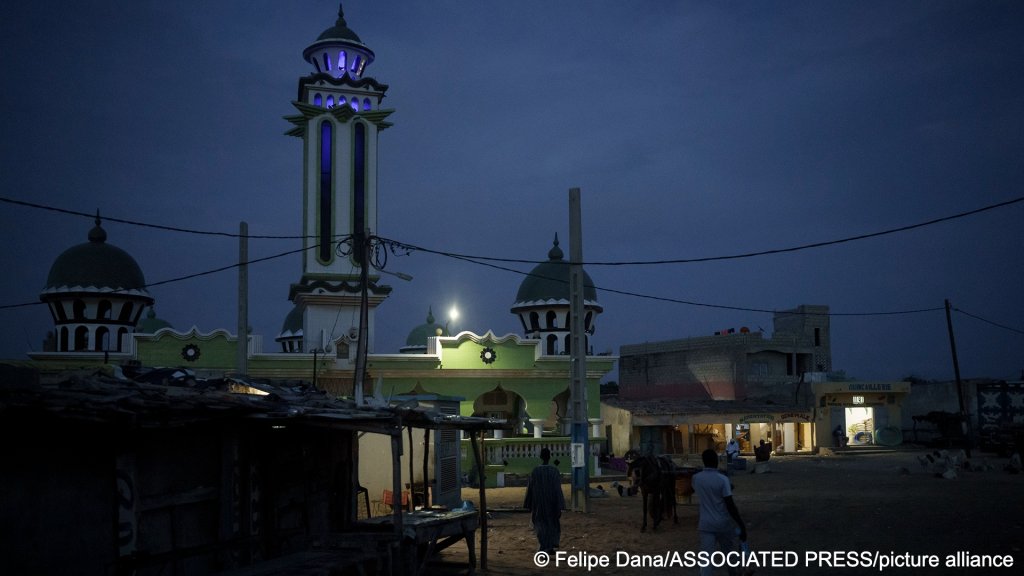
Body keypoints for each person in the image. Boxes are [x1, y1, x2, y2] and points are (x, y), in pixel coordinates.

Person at [692, 448, 747, 575]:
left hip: (705, 524)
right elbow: (730, 505)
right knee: (730, 556)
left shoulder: (696, 478)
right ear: (716, 461)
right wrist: (741, 524)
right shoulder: (723, 480)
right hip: (723, 524)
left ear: (704, 461)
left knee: (706, 561)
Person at [523, 447, 565, 553]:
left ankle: (544, 546)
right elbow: (557, 489)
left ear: (541, 457)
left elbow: (530, 488)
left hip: (539, 503)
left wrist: (528, 504)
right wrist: (560, 505)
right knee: (552, 523)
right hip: (552, 502)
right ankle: (549, 546)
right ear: (549, 457)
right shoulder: (554, 471)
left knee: (540, 525)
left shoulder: (535, 471)